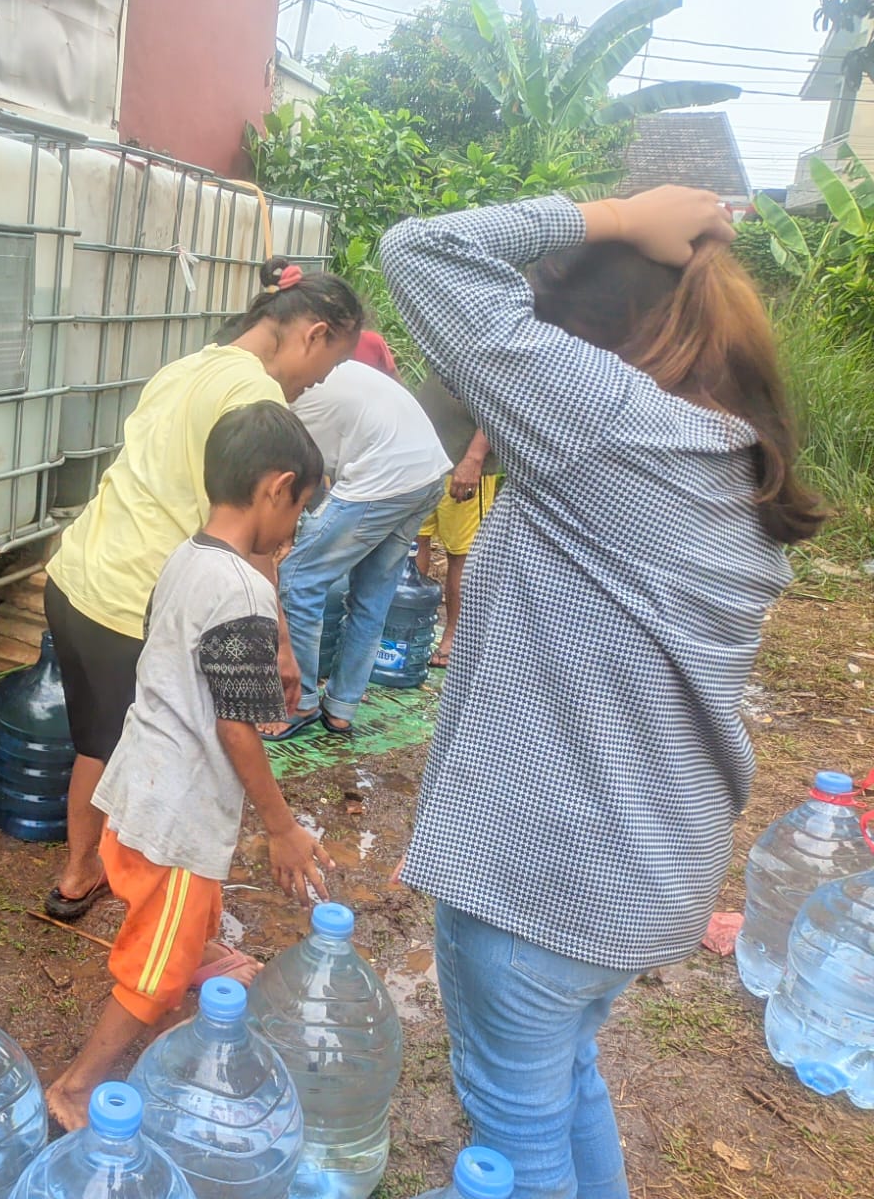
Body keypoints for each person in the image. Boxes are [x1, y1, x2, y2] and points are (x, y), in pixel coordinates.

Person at [379, 187, 823, 1199]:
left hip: (542, 876)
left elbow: (422, 251)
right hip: (639, 870)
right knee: (564, 1080)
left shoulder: (611, 427)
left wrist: (615, 214)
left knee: (514, 1137)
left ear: (584, 344)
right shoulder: (723, 458)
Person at [43, 403, 336, 1131]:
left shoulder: (187, 556)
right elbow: (236, 725)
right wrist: (281, 827)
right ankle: (76, 1089)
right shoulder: (242, 589)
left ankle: (199, 958)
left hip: (138, 788)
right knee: (154, 969)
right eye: (298, 511)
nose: (293, 532)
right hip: (175, 814)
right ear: (277, 487)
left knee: (183, 912)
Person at [42, 257, 363, 921]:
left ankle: (89, 870)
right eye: (326, 366)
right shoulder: (257, 402)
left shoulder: (189, 365)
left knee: (96, 741)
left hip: (76, 577)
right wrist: (278, 640)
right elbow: (259, 533)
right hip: (131, 599)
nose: (314, 384)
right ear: (313, 334)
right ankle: (108, 885)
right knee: (135, 746)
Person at [259, 359, 449, 739]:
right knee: (372, 597)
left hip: (385, 475)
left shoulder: (287, 391)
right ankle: (342, 709)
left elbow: (299, 476)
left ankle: (299, 703)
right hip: (427, 474)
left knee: (299, 579)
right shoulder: (329, 367)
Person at [413, 373, 501, 668]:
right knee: (412, 542)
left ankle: (452, 635)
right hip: (425, 456)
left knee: (461, 555)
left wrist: (474, 458)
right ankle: (410, 628)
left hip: (464, 464)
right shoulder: (450, 336)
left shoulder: (505, 343)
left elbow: (499, 405)